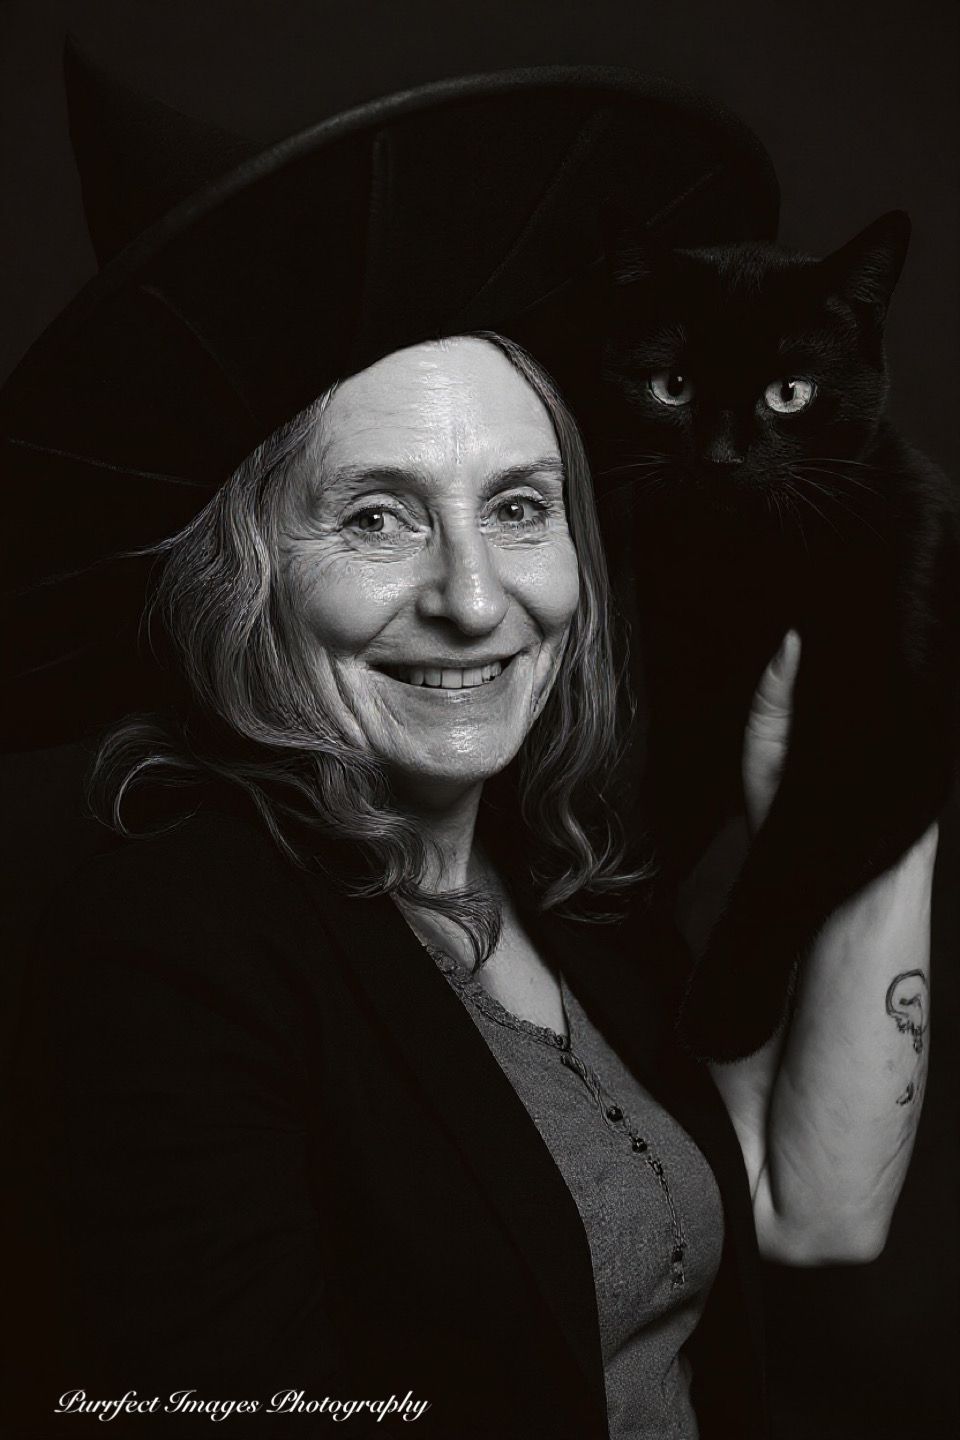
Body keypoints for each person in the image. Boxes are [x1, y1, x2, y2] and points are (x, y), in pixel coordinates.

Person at [5, 53, 937, 1440]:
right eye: (376, 517)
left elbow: (814, 1206)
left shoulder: (565, 874)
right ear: (241, 577)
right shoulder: (167, 948)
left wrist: (890, 761)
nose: (474, 598)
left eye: (518, 507)